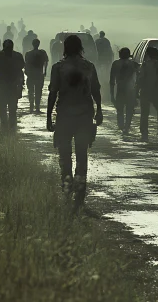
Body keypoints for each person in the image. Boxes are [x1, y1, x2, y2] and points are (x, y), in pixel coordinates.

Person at [46, 35, 102, 207]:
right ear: (80, 48)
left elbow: (53, 93)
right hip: (84, 115)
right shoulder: (89, 66)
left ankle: (67, 183)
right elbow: (96, 91)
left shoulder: (58, 67)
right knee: (82, 153)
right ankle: (80, 188)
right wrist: (99, 110)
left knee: (64, 153)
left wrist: (48, 116)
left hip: (64, 115)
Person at [136, 47, 158, 144]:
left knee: (144, 114)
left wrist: (136, 91)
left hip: (146, 92)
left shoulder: (145, 65)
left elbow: (140, 79)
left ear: (148, 55)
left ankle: (144, 135)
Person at [0, 39, 25, 132]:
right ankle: (7, 128)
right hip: (5, 85)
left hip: (9, 85)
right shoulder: (16, 56)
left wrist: (20, 86)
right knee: (5, 108)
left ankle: (9, 128)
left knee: (11, 108)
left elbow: (20, 72)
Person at [110, 47, 140, 134]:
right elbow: (139, 79)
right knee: (129, 110)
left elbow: (112, 81)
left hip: (120, 89)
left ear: (120, 54)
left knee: (120, 110)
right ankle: (126, 127)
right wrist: (137, 92)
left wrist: (111, 95)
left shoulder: (115, 64)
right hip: (131, 90)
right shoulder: (134, 64)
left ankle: (121, 127)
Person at [24, 38, 49, 113]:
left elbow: (26, 63)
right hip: (39, 73)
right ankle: (37, 107)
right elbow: (46, 62)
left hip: (31, 74)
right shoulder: (42, 53)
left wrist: (26, 71)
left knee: (31, 90)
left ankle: (31, 106)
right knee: (38, 91)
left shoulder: (28, 53)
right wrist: (45, 71)